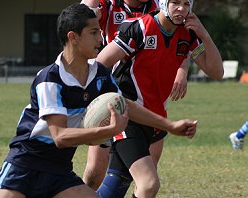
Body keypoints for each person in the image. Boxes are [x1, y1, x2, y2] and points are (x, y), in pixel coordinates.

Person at [0, 3, 197, 198]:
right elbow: (60, 137)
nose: (101, 38)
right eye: (93, 32)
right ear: (73, 37)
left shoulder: (99, 75)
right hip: (25, 167)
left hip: (60, 172)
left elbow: (126, 105)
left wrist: (170, 125)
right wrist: (108, 131)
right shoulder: (50, 78)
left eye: (99, 31)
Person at [94, 0, 224, 197]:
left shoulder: (187, 34)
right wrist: (110, 102)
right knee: (148, 183)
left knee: (116, 184)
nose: (181, 8)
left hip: (154, 119)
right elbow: (100, 64)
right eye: (175, 2)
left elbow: (216, 72)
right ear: (163, 3)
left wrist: (204, 34)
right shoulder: (140, 28)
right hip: (127, 116)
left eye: (186, 3)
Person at [81, 0, 191, 191]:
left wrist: (182, 69)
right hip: (111, 97)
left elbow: (181, 38)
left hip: (150, 100)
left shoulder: (162, 6)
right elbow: (81, 14)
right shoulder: (108, 5)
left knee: (144, 174)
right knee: (95, 172)